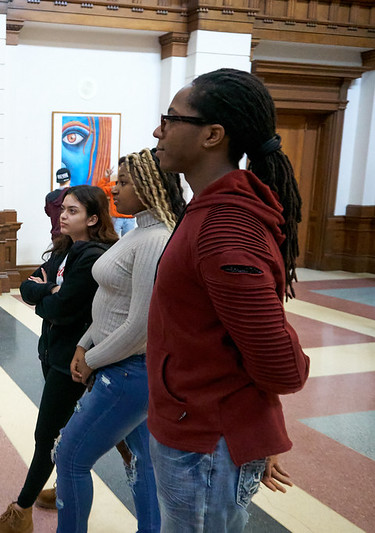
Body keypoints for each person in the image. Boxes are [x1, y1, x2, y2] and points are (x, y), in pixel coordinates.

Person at [147, 68, 310, 532]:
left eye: (171, 118)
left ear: (212, 135)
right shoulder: (209, 210)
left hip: (207, 442)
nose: (159, 130)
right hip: (192, 425)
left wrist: (251, 422)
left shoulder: (226, 226)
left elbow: (278, 362)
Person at [53, 149, 185, 533]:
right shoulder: (141, 232)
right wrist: (84, 343)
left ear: (149, 186)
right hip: (115, 361)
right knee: (142, 460)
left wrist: (92, 359)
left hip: (129, 371)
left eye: (125, 182)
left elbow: (140, 325)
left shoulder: (156, 239)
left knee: (71, 457)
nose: (115, 188)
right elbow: (111, 305)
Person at [0, 185, 117, 533]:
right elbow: (26, 286)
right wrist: (48, 290)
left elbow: (61, 311)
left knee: (46, 435)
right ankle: (62, 486)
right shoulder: (65, 248)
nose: (62, 215)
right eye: (63, 209)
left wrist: (46, 296)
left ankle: (21, 511)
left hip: (73, 360)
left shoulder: (94, 255)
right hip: (53, 352)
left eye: (73, 211)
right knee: (64, 428)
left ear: (93, 219)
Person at [44, 168, 70, 239]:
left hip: (55, 235)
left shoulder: (49, 197)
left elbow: (48, 213)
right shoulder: (73, 195)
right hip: (70, 235)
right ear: (69, 179)